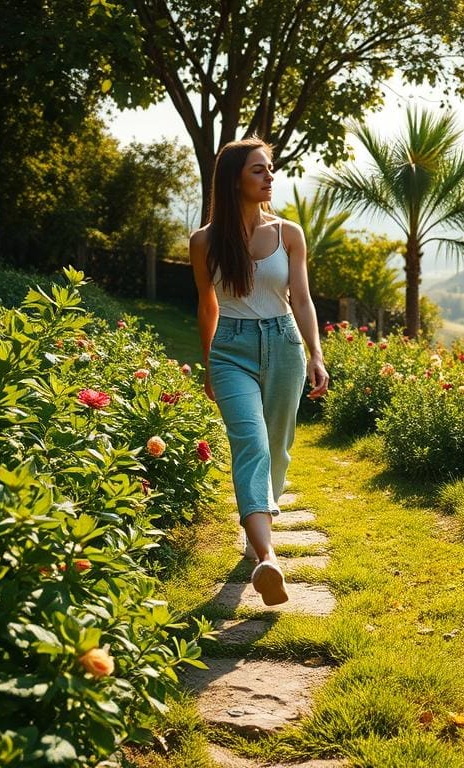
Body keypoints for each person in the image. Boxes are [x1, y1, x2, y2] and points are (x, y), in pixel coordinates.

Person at [189, 138, 329, 606]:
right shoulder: (204, 241)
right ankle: (267, 558)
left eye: (270, 169)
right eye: (258, 170)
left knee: (278, 448)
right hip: (230, 350)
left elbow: (302, 299)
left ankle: (257, 530)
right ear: (234, 180)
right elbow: (207, 306)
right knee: (251, 443)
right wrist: (209, 362)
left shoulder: (289, 233)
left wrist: (316, 354)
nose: (270, 176)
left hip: (285, 345)